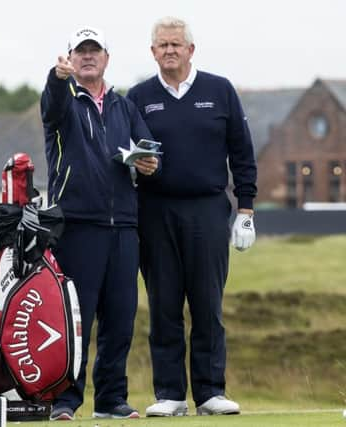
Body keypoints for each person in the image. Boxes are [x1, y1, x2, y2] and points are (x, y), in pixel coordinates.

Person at [127, 17, 257, 417]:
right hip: (155, 211)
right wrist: (135, 168)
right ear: (153, 52)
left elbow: (242, 152)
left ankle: (210, 392)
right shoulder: (138, 96)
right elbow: (125, 153)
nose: (169, 50)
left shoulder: (219, 90)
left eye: (176, 44)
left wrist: (246, 210)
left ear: (190, 50)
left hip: (208, 208)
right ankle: (170, 394)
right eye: (162, 45)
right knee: (164, 303)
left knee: (207, 303)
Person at [40, 26, 158, 421]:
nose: (88, 56)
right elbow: (50, 104)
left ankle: (111, 401)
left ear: (106, 57)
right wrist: (56, 79)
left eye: (94, 51)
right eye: (80, 51)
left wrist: (150, 162)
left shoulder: (125, 108)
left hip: (124, 226)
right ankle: (65, 400)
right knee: (76, 319)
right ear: (70, 59)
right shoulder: (62, 100)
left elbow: (149, 151)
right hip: (77, 226)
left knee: (120, 317)